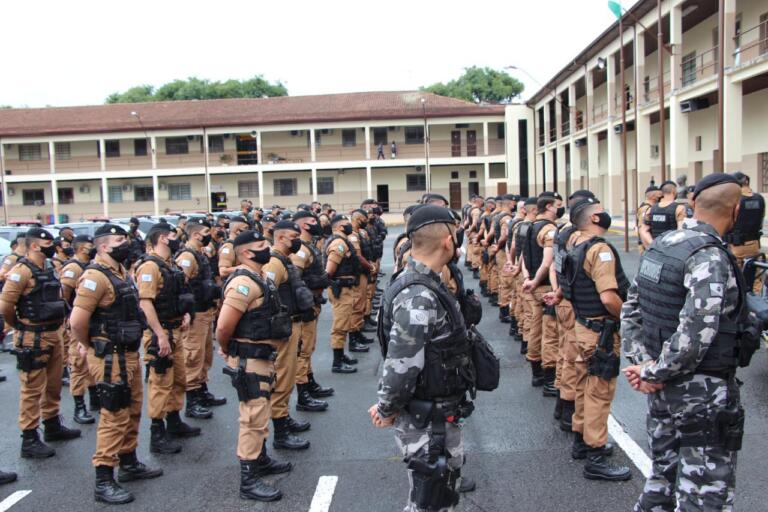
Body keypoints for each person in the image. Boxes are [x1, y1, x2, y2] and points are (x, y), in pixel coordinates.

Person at [622, 173, 760, 511]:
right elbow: (696, 334)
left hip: (663, 391)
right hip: (701, 393)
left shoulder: (662, 244)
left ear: (692, 204)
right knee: (704, 496)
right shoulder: (708, 257)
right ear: (737, 209)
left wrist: (643, 366)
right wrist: (653, 371)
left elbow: (632, 310)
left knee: (662, 483)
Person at [371, 205, 475, 511]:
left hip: (436, 415)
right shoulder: (419, 295)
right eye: (456, 235)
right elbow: (402, 364)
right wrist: (386, 407)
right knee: (430, 502)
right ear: (446, 241)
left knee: (438, 497)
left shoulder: (427, 283)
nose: (459, 241)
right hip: (426, 420)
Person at [69, 224, 163, 504]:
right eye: (120, 240)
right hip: (109, 356)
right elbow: (76, 321)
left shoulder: (120, 273)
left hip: (128, 353)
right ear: (104, 247)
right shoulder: (95, 277)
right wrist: (88, 346)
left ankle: (129, 461)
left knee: (132, 408)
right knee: (113, 416)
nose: (126, 243)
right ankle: (104, 478)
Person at [215, 230, 293, 502]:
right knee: (252, 417)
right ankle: (248, 479)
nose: (267, 247)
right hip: (250, 358)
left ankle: (260, 459)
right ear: (246, 253)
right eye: (261, 245)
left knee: (261, 412)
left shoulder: (258, 277)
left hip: (263, 357)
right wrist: (226, 349)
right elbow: (224, 326)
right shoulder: (243, 284)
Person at [563, 197, 631, 481]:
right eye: (601, 212)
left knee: (583, 388)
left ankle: (581, 440)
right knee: (599, 394)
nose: (606, 215)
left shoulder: (575, 245)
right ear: (593, 219)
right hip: (599, 332)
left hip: (581, 328)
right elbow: (608, 296)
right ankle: (596, 454)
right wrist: (627, 316)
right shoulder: (600, 250)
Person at [0, 227, 81, 459]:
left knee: (53, 384)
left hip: (53, 332)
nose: (51, 248)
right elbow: (5, 305)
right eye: (46, 244)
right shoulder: (20, 271)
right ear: (34, 246)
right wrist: (18, 325)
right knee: (32, 388)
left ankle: (52, 424)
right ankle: (29, 437)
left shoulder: (49, 268)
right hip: (32, 335)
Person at [135, 223, 197, 454]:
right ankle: (157, 431)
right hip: (160, 333)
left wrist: (186, 313)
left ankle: (174, 420)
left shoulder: (169, 265)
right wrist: (159, 334)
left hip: (175, 329)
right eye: (172, 235)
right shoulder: (150, 266)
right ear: (162, 238)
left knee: (179, 378)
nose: (176, 239)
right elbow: (145, 302)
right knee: (160, 383)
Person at [262, 220, 314, 449]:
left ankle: (283, 418)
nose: (298, 240)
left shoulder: (283, 260)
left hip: (291, 325)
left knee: (288, 375)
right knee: (281, 378)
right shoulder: (274, 262)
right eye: (294, 236)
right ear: (281, 238)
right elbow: (266, 295)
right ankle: (280, 433)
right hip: (281, 329)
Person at [291, 211, 335, 409]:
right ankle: (302, 394)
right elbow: (295, 279)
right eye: (312, 221)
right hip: (305, 306)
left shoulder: (309, 246)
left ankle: (309, 382)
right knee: (302, 350)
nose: (316, 223)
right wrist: (305, 303)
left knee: (309, 347)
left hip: (313, 303)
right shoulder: (300, 249)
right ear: (302, 225)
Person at [176, 221, 219, 420]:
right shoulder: (187, 256)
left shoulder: (199, 253)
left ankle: (202, 391)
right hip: (196, 314)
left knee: (205, 355)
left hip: (206, 311)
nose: (209, 235)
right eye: (205, 232)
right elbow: (181, 286)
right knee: (193, 356)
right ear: (195, 234)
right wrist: (185, 312)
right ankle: (192, 401)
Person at [521, 192, 563, 390]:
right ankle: (548, 378)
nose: (560, 209)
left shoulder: (528, 226)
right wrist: (537, 281)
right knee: (551, 334)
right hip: (544, 286)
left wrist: (527, 278)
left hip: (531, 284)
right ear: (549, 207)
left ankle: (536, 374)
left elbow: (522, 254)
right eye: (557, 205)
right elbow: (548, 262)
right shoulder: (548, 229)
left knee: (535, 329)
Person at [60, 234, 99, 424]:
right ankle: (79, 405)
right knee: (78, 363)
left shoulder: (89, 267)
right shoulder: (72, 268)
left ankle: (94, 397)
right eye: (90, 245)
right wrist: (70, 317)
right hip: (77, 322)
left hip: (92, 322)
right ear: (82, 248)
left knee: (92, 359)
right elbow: (64, 296)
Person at [324, 215, 362, 373]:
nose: (350, 226)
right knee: (340, 326)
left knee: (344, 323)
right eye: (346, 224)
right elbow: (329, 271)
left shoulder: (342, 241)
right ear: (339, 227)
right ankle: (337, 362)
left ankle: (341, 355)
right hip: (341, 289)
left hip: (346, 288)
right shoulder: (339, 243)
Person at [727, 171, 765, 272]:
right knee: (755, 278)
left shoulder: (735, 199)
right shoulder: (759, 198)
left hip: (736, 246)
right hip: (754, 245)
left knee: (737, 279)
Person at [639, 180, 686, 249]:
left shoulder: (650, 209)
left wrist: (653, 244)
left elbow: (643, 230)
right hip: (672, 249)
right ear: (674, 192)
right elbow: (680, 231)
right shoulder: (679, 208)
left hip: (656, 248)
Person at [636, 186, 661, 255]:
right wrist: (642, 244)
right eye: (658, 195)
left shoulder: (650, 207)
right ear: (652, 196)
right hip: (646, 243)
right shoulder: (646, 208)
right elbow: (641, 227)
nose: (660, 197)